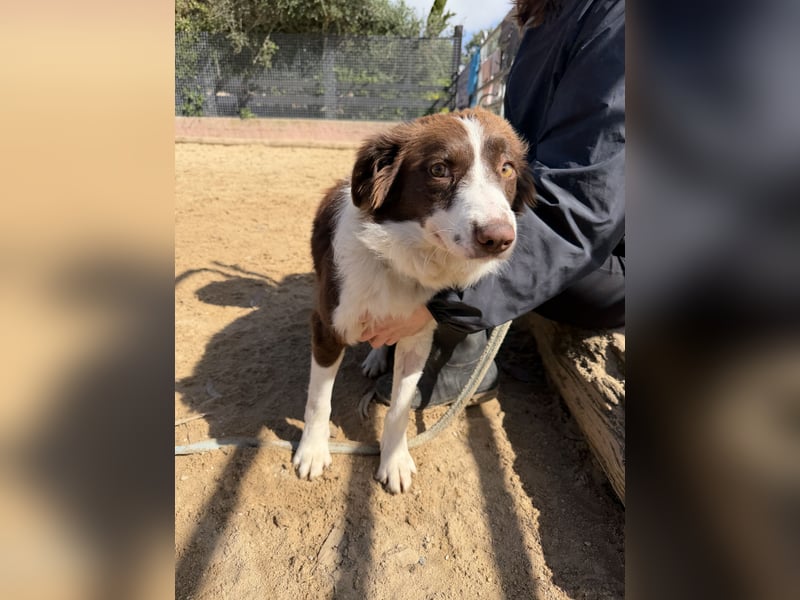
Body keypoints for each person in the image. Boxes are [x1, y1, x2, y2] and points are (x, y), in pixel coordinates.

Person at [360, 0, 625, 408]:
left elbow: (588, 203)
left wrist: (441, 306)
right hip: (595, 221)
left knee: (468, 249)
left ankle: (465, 358)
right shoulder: (547, 14)